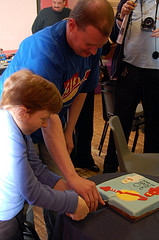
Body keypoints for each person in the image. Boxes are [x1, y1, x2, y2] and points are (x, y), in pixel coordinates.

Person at [0, 0, 114, 238]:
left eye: (99, 46)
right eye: (90, 45)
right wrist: (71, 185)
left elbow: (83, 89)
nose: (94, 52)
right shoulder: (44, 53)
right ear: (72, 25)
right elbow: (33, 190)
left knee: (43, 179)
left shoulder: (93, 45)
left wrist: (68, 130)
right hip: (5, 217)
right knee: (20, 197)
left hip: (38, 118)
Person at [0, 69, 89, 240]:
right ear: (22, 112)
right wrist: (72, 203)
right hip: (5, 220)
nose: (45, 124)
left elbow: (37, 168)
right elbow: (32, 192)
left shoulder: (15, 123)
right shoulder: (10, 138)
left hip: (14, 211)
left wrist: (64, 186)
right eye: (43, 119)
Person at [103, 0, 159, 173]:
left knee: (155, 127)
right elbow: (113, 36)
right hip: (129, 70)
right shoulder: (127, 2)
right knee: (120, 123)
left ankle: (151, 174)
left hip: (156, 72)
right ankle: (110, 171)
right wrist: (121, 17)